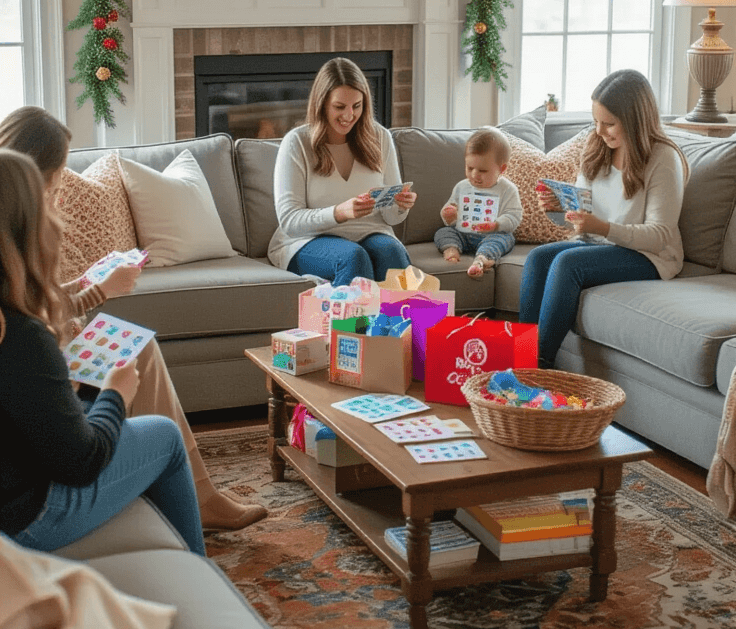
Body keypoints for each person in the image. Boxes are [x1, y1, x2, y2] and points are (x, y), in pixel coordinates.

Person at [0, 106, 267, 533]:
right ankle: (196, 507)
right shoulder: (23, 244)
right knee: (147, 405)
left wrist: (85, 284)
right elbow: (33, 326)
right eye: (54, 185)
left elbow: (30, 303)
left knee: (137, 345)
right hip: (32, 500)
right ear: (26, 185)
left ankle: (202, 495)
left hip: (33, 404)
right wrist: (113, 392)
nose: (61, 197)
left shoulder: (9, 240)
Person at [0, 150, 207, 555]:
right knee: (164, 436)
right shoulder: (22, 335)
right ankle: (202, 570)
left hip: (13, 486)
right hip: (31, 518)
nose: (57, 213)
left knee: (96, 388)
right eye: (48, 199)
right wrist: (116, 394)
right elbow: (81, 463)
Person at [519, 69, 688, 368]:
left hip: (650, 255)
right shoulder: (599, 148)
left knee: (568, 263)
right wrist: (561, 209)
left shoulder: (663, 158)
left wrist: (603, 228)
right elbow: (583, 219)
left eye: (609, 124)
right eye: (596, 121)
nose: (599, 131)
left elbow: (660, 233)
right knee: (538, 258)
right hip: (600, 243)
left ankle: (538, 367)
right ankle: (518, 355)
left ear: (636, 121)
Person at [268, 57, 417, 284]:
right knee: (353, 257)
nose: (349, 116)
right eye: (339, 107)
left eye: (357, 106)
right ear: (322, 103)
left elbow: (390, 217)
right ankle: (353, 322)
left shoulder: (380, 138)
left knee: (392, 252)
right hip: (307, 240)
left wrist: (401, 206)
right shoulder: (297, 142)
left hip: (370, 232)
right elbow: (290, 220)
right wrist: (340, 212)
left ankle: (400, 321)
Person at [434, 127, 522, 279]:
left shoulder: (508, 190)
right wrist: (449, 214)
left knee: (506, 238)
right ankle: (451, 249)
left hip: (491, 234)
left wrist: (496, 225)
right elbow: (450, 214)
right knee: (443, 232)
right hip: (463, 233)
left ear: (501, 169)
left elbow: (514, 217)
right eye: (470, 168)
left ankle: (482, 259)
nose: (474, 175)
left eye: (482, 170)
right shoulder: (462, 186)